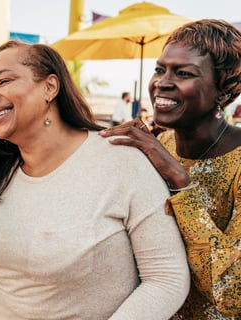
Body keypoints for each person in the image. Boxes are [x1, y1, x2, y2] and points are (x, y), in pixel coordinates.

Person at [0, 40, 190, 319]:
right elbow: (7, 263)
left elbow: (167, 279)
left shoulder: (121, 161)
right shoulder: (4, 171)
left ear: (50, 87)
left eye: (4, 81)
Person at [100, 19, 241, 319]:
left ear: (224, 90)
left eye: (184, 73)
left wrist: (179, 180)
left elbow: (232, 293)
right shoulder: (153, 144)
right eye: (159, 69)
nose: (162, 82)